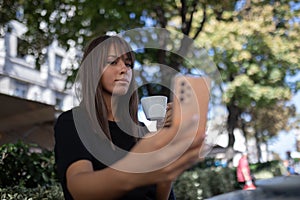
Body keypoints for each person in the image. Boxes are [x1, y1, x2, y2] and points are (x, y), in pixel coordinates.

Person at [54, 35, 205, 200]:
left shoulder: (142, 132)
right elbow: (79, 189)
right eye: (112, 62)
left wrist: (167, 152)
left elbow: (161, 197)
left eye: (128, 64)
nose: (124, 69)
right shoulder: (73, 122)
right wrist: (133, 168)